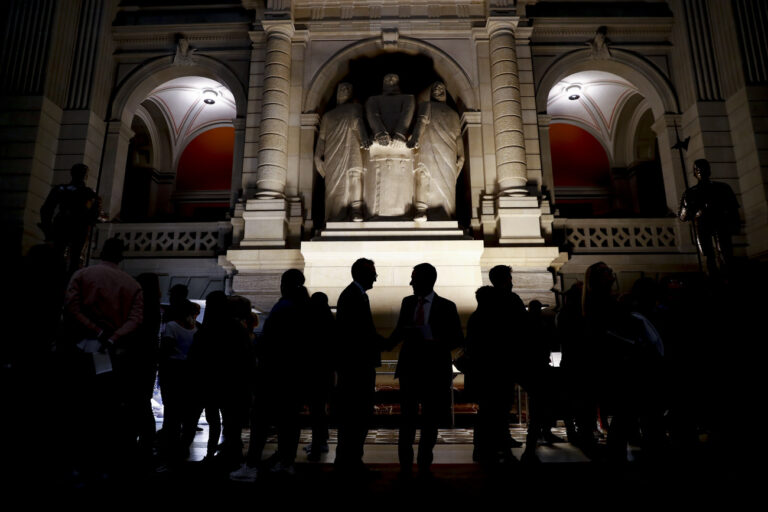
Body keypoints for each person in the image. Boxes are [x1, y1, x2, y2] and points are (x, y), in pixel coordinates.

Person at [62, 236, 143, 481]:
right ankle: (103, 464)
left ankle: (76, 463)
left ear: (100, 252)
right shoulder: (132, 284)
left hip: (79, 349)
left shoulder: (82, 275)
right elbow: (136, 318)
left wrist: (94, 329)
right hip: (111, 353)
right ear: (121, 256)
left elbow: (72, 306)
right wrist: (113, 336)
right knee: (106, 411)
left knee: (77, 409)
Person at [231, 270, 310, 481]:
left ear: (285, 284)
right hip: (291, 374)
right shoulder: (301, 307)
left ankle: (252, 465)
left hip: (274, 373)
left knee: (261, 421)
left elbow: (271, 340)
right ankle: (286, 462)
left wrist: (257, 349)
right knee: (289, 421)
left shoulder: (284, 307)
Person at [390, 263, 463, 478]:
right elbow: (399, 332)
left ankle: (424, 465)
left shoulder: (447, 306)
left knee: (430, 422)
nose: (411, 283)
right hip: (410, 370)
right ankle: (404, 466)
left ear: (427, 280)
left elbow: (458, 338)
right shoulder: (408, 302)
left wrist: (435, 341)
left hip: (434, 372)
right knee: (407, 420)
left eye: (414, 278)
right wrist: (382, 344)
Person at [333, 258, 386, 476]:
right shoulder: (353, 297)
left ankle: (349, 462)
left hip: (356, 366)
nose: (376, 277)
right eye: (373, 272)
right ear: (362, 274)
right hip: (357, 368)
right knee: (356, 418)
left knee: (355, 418)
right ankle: (350, 463)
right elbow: (358, 334)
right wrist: (383, 342)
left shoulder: (355, 295)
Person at [408, 81, 465, 220]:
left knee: (446, 182)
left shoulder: (453, 114)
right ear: (430, 92)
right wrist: (414, 139)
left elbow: (458, 136)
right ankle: (421, 209)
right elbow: (419, 125)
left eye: (441, 88)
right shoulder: (425, 107)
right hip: (427, 146)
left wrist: (462, 155)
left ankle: (446, 214)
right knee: (423, 174)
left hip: (448, 151)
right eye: (435, 88)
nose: (439, 90)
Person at [314, 82, 370, 221]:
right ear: (337, 93)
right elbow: (322, 138)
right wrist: (317, 156)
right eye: (342, 88)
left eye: (348, 88)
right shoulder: (328, 116)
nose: (344, 90)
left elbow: (359, 123)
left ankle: (356, 210)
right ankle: (335, 215)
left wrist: (364, 138)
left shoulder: (355, 108)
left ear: (351, 93)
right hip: (333, 152)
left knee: (355, 175)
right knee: (333, 184)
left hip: (352, 147)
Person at [678, 158, 740, 277]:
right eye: (697, 169)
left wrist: (734, 225)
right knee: (708, 256)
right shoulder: (690, 193)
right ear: (694, 172)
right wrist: (688, 206)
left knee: (725, 253)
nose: (700, 171)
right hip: (702, 227)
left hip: (720, 224)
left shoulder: (722, 188)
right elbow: (682, 217)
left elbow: (733, 208)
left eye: (703, 168)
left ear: (709, 171)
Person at [39, 163, 101, 276]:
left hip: (65, 225)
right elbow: (94, 214)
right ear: (85, 176)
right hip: (76, 227)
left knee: (61, 257)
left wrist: (47, 228)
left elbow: (46, 210)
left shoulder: (61, 189)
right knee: (73, 258)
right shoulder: (88, 193)